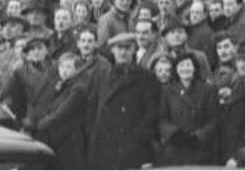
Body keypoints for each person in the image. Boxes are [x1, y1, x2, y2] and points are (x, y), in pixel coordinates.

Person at [86, 32, 161, 170]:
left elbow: (152, 111)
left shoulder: (146, 77)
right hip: (105, 143)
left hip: (133, 143)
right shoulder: (101, 74)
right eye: (119, 48)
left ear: (134, 50)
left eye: (127, 48)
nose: (123, 52)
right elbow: (92, 105)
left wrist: (139, 136)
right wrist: (94, 132)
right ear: (112, 50)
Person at [160, 52, 219, 166]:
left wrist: (198, 136)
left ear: (194, 68)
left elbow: (214, 119)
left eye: (188, 65)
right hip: (175, 147)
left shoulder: (208, 90)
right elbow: (162, 118)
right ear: (176, 69)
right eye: (181, 66)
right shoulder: (167, 91)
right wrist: (174, 134)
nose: (185, 69)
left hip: (200, 148)